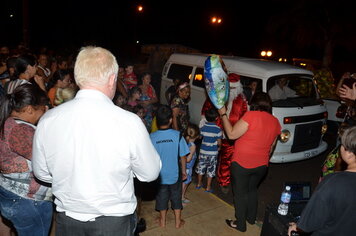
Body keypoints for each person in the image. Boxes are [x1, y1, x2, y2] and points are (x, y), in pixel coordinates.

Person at [32, 46, 161, 236]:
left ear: (78, 78)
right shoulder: (129, 122)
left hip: (67, 221)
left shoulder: (48, 120)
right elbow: (149, 173)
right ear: (111, 79)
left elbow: (42, 174)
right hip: (114, 222)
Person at [218, 92, 281, 232]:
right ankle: (251, 218)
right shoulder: (275, 121)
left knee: (240, 194)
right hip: (262, 166)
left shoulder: (251, 116)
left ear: (254, 103)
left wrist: (223, 114)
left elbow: (232, 134)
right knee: (252, 190)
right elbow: (271, 148)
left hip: (242, 163)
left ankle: (240, 224)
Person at [0, 84, 52, 236]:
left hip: (10, 194)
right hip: (28, 201)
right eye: (42, 109)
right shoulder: (21, 130)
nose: (44, 113)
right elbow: (45, 161)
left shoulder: (7, 122)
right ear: (30, 109)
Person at [288, 126, 356, 236]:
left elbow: (307, 224)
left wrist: (296, 227)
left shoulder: (333, 182)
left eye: (342, 145)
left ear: (349, 153)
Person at [150, 105, 189, 229]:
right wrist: (184, 171)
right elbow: (183, 155)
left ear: (156, 120)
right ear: (171, 120)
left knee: (162, 197)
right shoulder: (177, 135)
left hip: (160, 176)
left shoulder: (152, 137)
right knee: (176, 197)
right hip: (175, 174)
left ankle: (163, 221)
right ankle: (178, 222)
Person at [195, 108, 222, 193]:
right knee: (211, 169)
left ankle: (199, 184)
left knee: (201, 168)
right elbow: (219, 142)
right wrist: (220, 147)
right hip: (213, 153)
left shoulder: (203, 127)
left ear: (206, 118)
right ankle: (208, 187)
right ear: (217, 118)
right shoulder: (218, 129)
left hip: (203, 152)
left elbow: (199, 137)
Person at [181, 123, 200, 204]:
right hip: (187, 167)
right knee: (184, 183)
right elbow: (188, 159)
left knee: (185, 183)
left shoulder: (184, 141)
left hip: (184, 166)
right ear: (196, 136)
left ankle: (182, 196)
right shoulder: (193, 146)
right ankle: (180, 198)